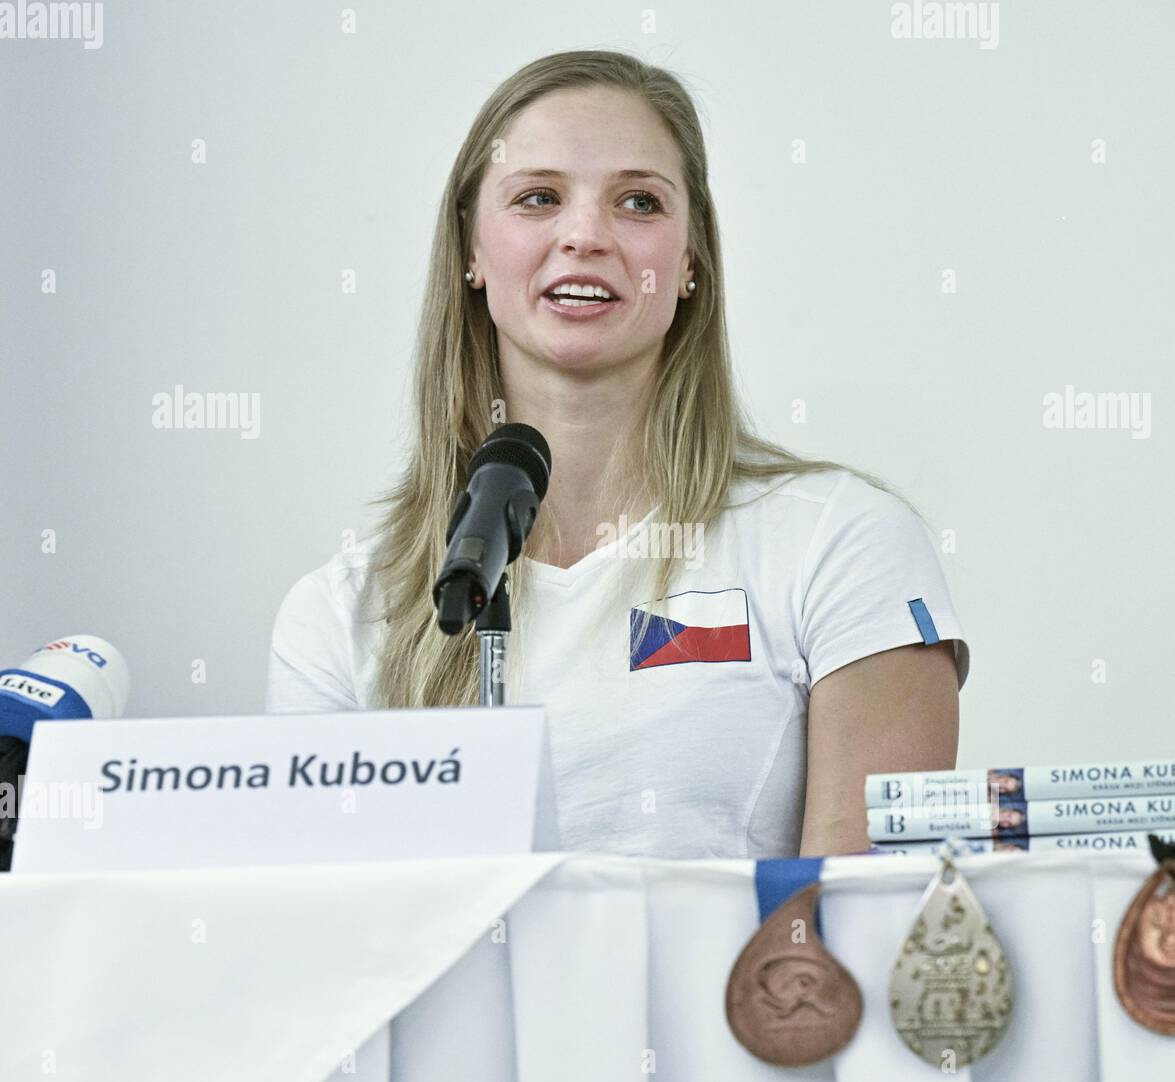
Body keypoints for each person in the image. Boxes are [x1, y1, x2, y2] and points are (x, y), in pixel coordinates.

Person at [266, 49, 971, 859]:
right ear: (471, 251)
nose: (585, 236)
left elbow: (857, 930)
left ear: (690, 263)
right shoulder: (342, 613)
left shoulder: (841, 541)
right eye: (538, 198)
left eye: (639, 202)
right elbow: (329, 949)